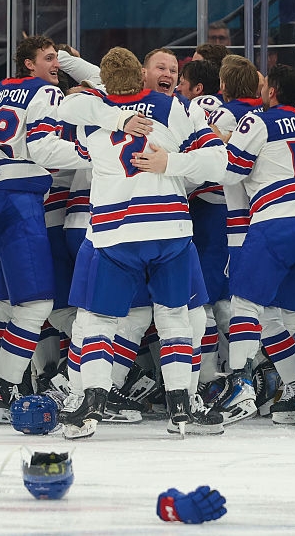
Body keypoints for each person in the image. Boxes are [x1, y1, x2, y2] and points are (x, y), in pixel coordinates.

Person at [56, 47, 227, 438]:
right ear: (143, 75)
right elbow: (220, 160)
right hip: (169, 230)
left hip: (113, 234)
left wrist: (114, 117)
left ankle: (91, 405)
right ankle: (182, 409)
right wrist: (173, 164)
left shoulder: (90, 114)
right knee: (177, 319)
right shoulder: (170, 108)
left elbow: (67, 112)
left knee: (98, 322)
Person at [0, 35, 88, 422]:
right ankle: (4, 389)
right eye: (49, 58)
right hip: (18, 196)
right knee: (35, 306)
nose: (57, 64)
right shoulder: (47, 92)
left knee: (2, 306)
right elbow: (44, 149)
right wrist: (96, 155)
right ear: (29, 64)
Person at [218, 64, 295, 425]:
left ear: (271, 92)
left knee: (244, 303)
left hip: (276, 221)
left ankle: (238, 386)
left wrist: (216, 146)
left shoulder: (258, 121)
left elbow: (231, 171)